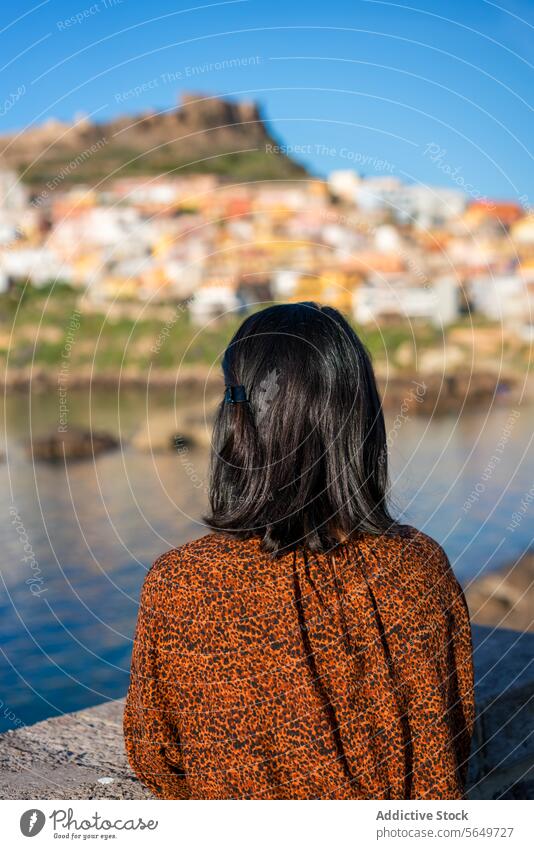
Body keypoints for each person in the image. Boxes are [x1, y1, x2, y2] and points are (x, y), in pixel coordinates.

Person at [123, 302, 475, 800]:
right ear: (360, 419)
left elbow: (156, 759)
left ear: (237, 424)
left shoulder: (184, 585)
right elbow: (454, 739)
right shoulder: (420, 567)